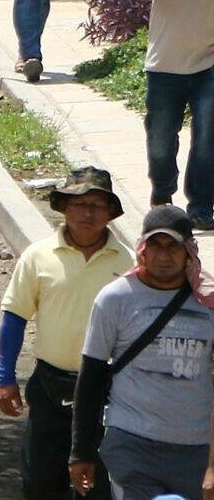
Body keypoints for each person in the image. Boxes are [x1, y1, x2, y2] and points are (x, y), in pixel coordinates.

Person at [0, 167, 132, 500]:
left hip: (104, 388)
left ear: (111, 213)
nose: (88, 213)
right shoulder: (38, 256)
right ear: (63, 207)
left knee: (95, 487)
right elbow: (15, 316)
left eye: (98, 205)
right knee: (40, 482)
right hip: (49, 386)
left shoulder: (127, 262)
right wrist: (5, 378)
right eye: (79, 203)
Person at [68, 203, 212, 500]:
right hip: (131, 443)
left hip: (195, 449)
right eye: (155, 246)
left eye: (173, 247)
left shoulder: (208, 304)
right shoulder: (115, 299)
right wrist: (81, 452)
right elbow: (91, 377)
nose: (163, 256)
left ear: (189, 251)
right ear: (141, 250)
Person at [132, 0, 214, 220]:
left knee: (209, 137)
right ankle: (163, 195)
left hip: (208, 62)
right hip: (164, 64)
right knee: (161, 140)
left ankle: (200, 205)